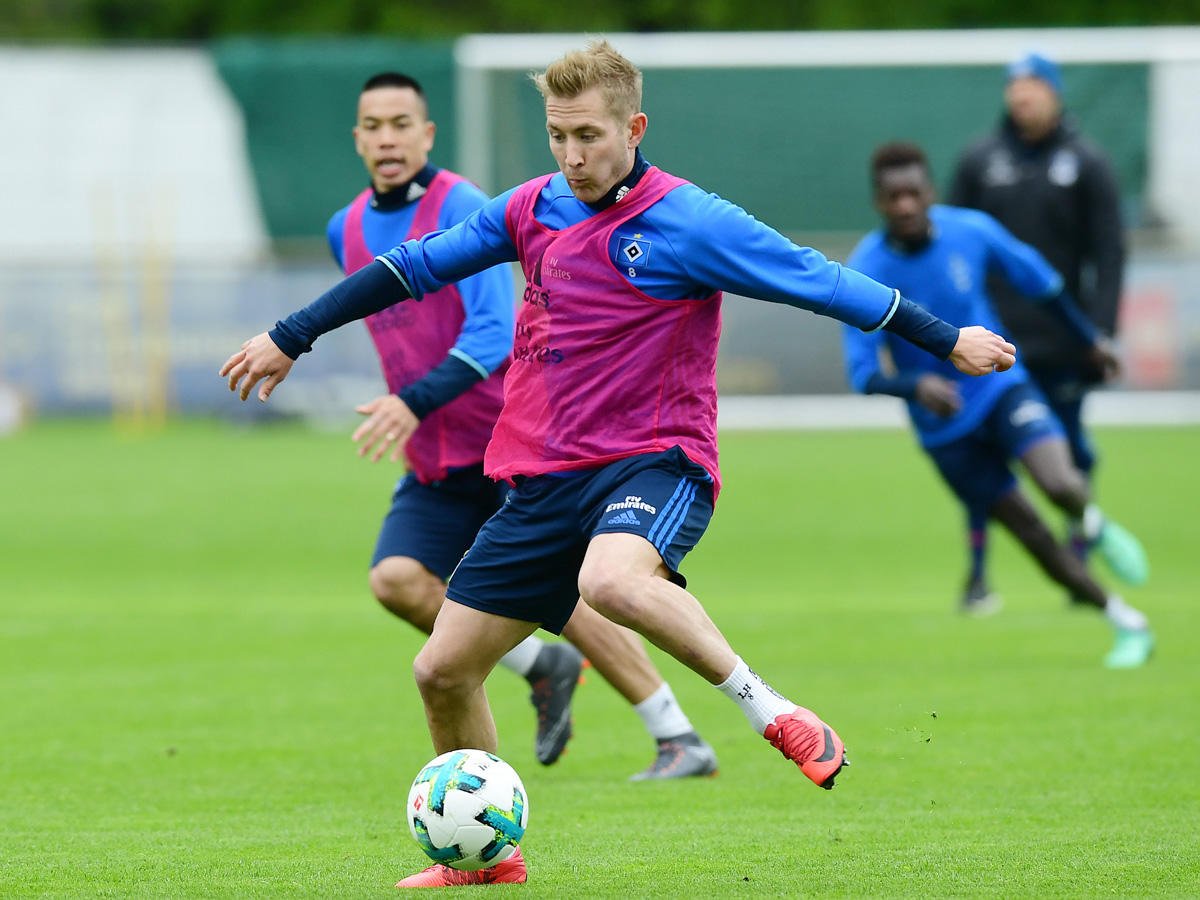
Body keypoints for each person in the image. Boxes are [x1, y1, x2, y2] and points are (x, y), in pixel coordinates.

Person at [222, 41, 1017, 888]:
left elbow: (817, 280)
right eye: (558, 136)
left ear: (634, 128)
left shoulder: (690, 220)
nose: (572, 156)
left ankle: (773, 712)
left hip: (653, 462)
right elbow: (412, 268)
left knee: (611, 584)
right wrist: (289, 333)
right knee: (442, 670)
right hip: (540, 478)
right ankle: (487, 863)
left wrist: (947, 338)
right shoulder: (532, 208)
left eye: (589, 137)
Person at [326, 71, 719, 780]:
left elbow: (489, 336)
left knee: (572, 594)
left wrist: (411, 399)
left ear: (426, 134)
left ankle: (677, 734)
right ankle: (543, 668)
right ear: (357, 138)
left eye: (400, 123)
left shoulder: (467, 206)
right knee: (396, 581)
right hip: (435, 456)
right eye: (372, 125)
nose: (387, 138)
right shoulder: (346, 229)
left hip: (516, 445)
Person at [841, 141, 1152, 667]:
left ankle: (1092, 522)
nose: (905, 205)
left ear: (931, 193)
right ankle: (1127, 621)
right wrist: (915, 387)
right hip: (945, 431)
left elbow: (1044, 284)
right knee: (1030, 532)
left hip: (1000, 386)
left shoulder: (971, 231)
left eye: (914, 192)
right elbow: (863, 374)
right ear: (878, 201)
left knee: (1061, 483)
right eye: (894, 196)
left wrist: (1090, 340)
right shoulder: (865, 269)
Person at [947, 51, 1140, 608]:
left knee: (1069, 453)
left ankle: (1079, 569)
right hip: (992, 341)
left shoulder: (1089, 163)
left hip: (1060, 342)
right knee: (981, 463)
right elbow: (947, 244)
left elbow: (1109, 252)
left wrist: (1098, 333)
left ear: (1054, 93)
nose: (1021, 95)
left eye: (1033, 85)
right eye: (1014, 85)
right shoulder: (979, 161)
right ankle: (979, 576)